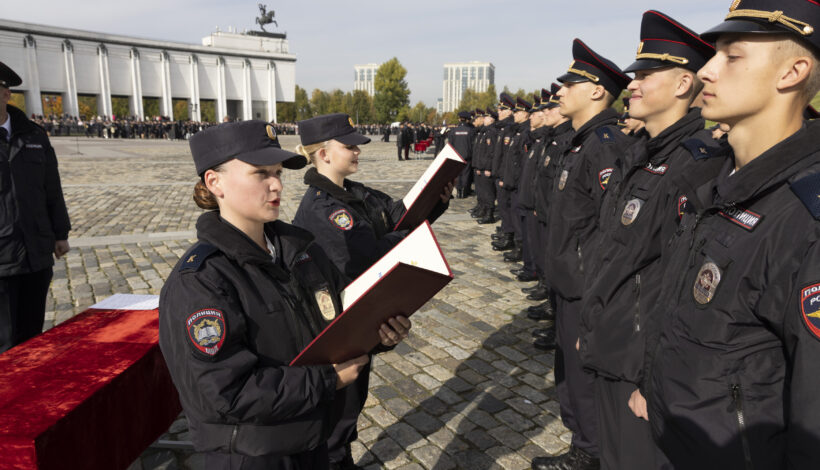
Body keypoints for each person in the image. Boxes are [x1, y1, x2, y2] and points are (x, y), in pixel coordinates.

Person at [158, 120, 411, 469]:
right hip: (254, 455)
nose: (276, 184)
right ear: (214, 183)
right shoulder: (201, 282)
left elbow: (339, 323)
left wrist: (378, 334)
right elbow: (224, 392)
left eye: (277, 171)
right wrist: (327, 379)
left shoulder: (302, 253)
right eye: (260, 173)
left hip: (311, 439)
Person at [644, 1, 820, 468]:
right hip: (678, 441)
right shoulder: (717, 181)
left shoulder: (806, 215)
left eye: (732, 56)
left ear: (793, 72)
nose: (707, 72)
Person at [575, 10, 723, 470]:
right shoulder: (640, 153)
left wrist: (652, 375)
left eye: (645, 74)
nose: (632, 83)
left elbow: (679, 283)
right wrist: (592, 325)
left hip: (640, 365)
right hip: (613, 345)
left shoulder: (697, 163)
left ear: (683, 84)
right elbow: (613, 253)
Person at [291, 113, 452, 469]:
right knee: (338, 413)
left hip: (360, 319)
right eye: (348, 146)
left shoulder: (354, 194)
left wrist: (434, 202)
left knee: (352, 404)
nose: (357, 151)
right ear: (323, 154)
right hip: (337, 327)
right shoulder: (323, 208)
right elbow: (371, 256)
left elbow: (394, 214)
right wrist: (407, 235)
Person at [533, 39, 634, 470]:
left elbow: (613, 229)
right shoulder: (583, 142)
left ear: (596, 91)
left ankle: (590, 453)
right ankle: (582, 441)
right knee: (568, 370)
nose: (560, 91)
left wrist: (591, 290)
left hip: (585, 286)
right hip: (568, 283)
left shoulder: (606, 144)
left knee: (582, 372)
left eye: (570, 84)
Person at [0, 61, 71, 353]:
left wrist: (60, 233)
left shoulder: (33, 135)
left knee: (33, 338)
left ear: (5, 94)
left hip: (36, 252)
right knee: (4, 342)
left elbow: (51, 188)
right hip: (2, 257)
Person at [449, 111, 476, 198]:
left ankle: (458, 190)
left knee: (458, 174)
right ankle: (463, 192)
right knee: (465, 174)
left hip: (456, 156)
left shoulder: (454, 131)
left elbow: (450, 144)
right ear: (467, 120)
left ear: (459, 119)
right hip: (467, 156)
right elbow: (473, 144)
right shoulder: (471, 130)